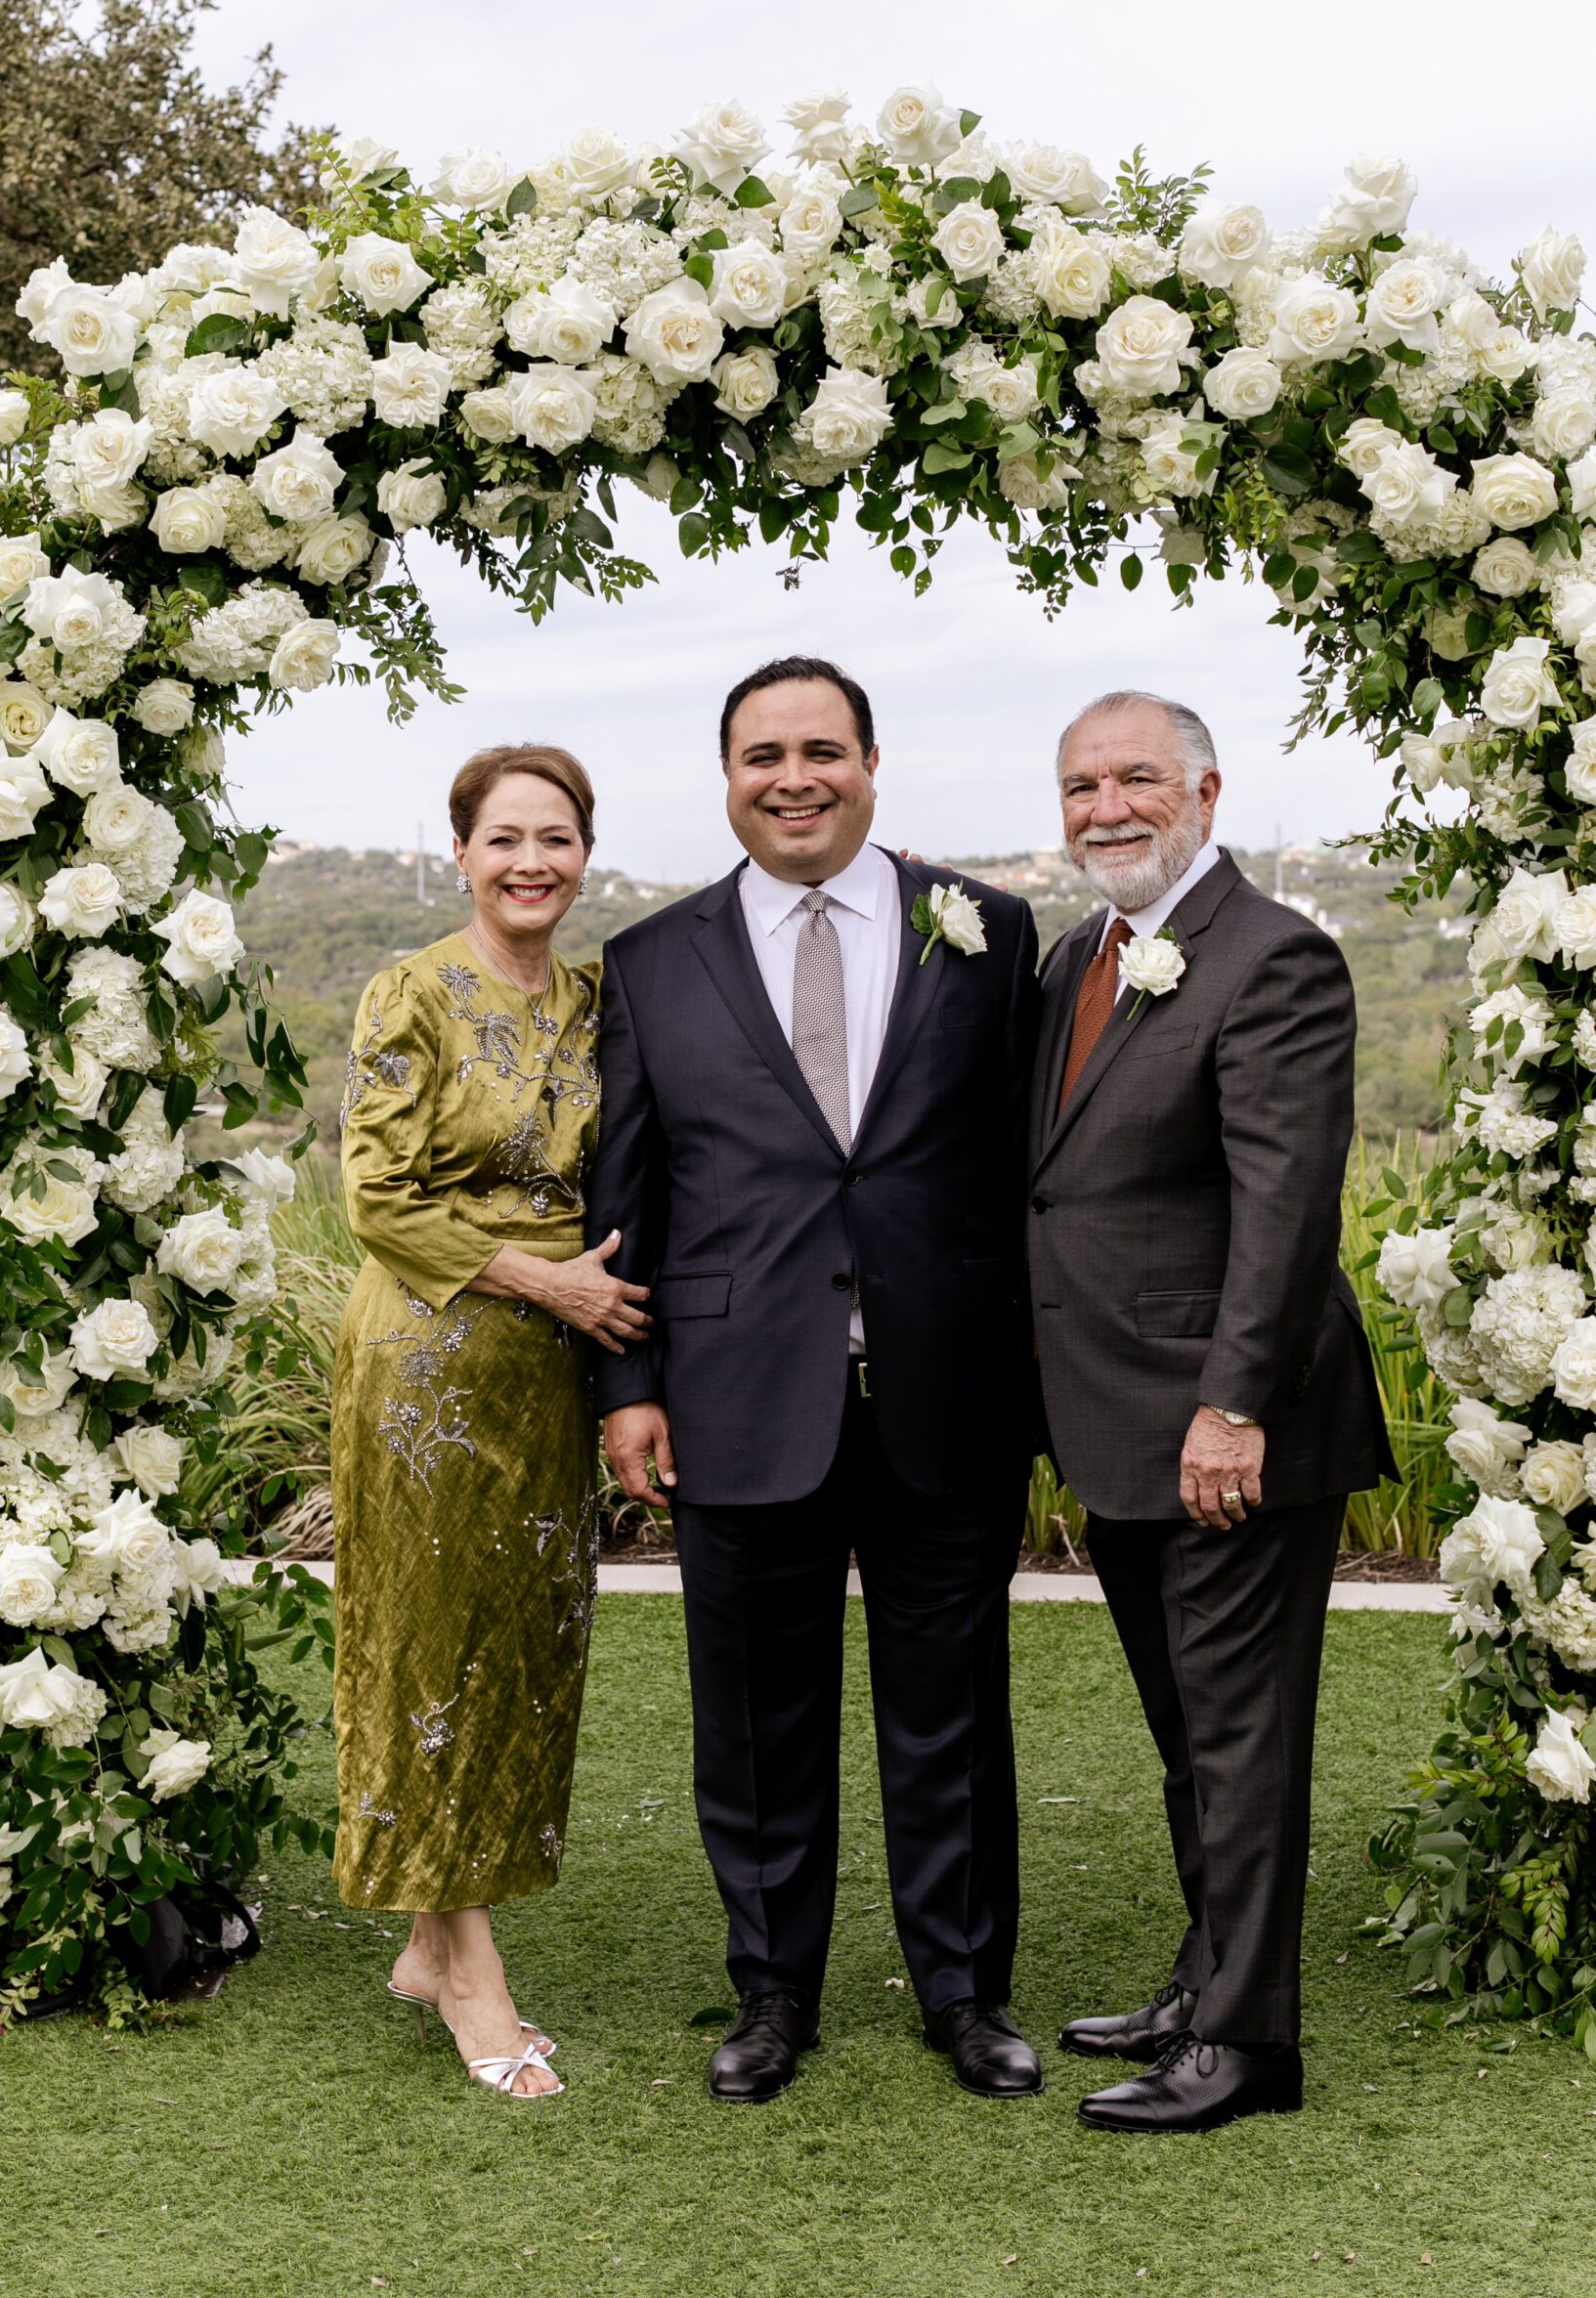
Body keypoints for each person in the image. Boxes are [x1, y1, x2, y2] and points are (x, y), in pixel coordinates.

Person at [584, 656, 1044, 2103]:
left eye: (821, 750)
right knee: (754, 1718)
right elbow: (628, 1195)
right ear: (725, 776)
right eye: (763, 754)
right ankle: (772, 1993)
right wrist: (629, 1387)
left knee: (952, 1714)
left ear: (870, 761)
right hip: (734, 1393)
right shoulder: (655, 962)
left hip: (944, 1386)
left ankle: (963, 1994)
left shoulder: (988, 933)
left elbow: (1024, 1176)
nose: (794, 777)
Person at [1028, 690, 1393, 2134]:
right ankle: (1202, 1975)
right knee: (1189, 1732)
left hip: (1230, 1429)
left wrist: (1230, 1406)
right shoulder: (1076, 959)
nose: (1103, 808)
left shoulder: (1275, 958)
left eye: (1133, 780)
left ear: (1204, 791)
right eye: (1077, 786)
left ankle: (1245, 2049)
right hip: (1115, 1417)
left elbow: (1286, 1209)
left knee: (1241, 1739)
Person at [331, 742, 649, 2100]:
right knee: (424, 1654)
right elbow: (377, 1199)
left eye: (557, 839)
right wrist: (548, 1280)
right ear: (461, 852)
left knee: (512, 1655)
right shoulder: (407, 993)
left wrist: (586, 1316)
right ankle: (473, 1978)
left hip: (547, 1379)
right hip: (425, 1365)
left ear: (585, 855)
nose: (532, 862)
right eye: (505, 838)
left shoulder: (598, 1001)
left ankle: (425, 1937)